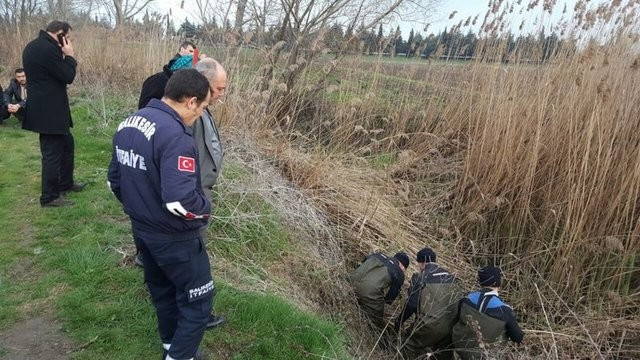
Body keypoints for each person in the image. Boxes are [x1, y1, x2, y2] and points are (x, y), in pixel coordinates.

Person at [108, 69, 213, 360]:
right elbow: (180, 202)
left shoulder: (129, 122)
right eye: (203, 107)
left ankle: (171, 346)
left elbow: (114, 181)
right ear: (191, 102)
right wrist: (205, 211)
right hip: (174, 238)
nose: (201, 114)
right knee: (199, 300)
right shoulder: (176, 136)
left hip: (142, 231)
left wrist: (141, 209)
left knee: (163, 291)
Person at [22, 20, 85, 207]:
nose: (67, 41)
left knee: (67, 145)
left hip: (49, 108)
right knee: (52, 153)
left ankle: (65, 183)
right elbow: (68, 76)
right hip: (49, 111)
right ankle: (49, 197)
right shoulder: (48, 49)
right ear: (60, 33)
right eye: (66, 36)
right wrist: (70, 56)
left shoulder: (33, 46)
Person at [395, 248, 464, 360]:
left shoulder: (421, 278)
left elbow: (411, 305)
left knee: (408, 346)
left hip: (429, 326)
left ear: (421, 263)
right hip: (451, 329)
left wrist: (399, 321)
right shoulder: (453, 278)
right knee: (442, 355)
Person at [452, 266, 524, 360]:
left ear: (480, 281)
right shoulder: (505, 310)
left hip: (460, 348)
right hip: (485, 356)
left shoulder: (466, 299)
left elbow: (455, 319)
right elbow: (518, 338)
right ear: (498, 283)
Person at [350, 252, 409, 333]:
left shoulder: (377, 254)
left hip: (349, 282)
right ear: (402, 266)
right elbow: (390, 299)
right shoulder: (399, 273)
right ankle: (368, 334)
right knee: (376, 319)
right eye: (404, 270)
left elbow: (360, 265)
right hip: (367, 293)